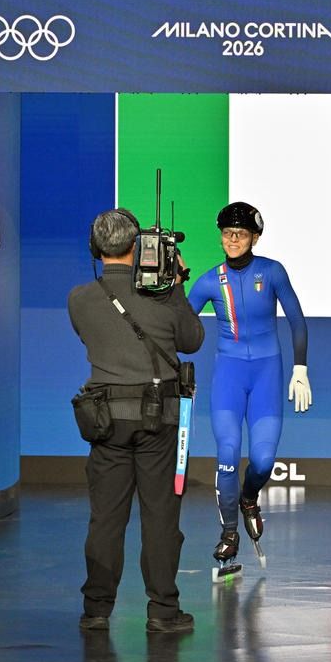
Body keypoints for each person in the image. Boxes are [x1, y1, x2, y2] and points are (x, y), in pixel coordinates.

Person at [67, 208, 205, 633]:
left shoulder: (79, 299)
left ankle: (96, 610)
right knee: (160, 516)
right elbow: (193, 340)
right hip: (158, 420)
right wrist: (176, 283)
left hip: (105, 421)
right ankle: (163, 610)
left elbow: (93, 337)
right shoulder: (162, 296)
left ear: (95, 248)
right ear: (136, 246)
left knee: (106, 518)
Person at [187, 201, 311, 569]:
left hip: (266, 375)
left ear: (254, 237)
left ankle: (248, 498)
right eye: (227, 234)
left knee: (263, 460)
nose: (233, 240)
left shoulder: (272, 272)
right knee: (227, 456)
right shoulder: (209, 280)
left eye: (240, 234)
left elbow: (297, 321)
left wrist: (300, 369)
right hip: (229, 376)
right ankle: (229, 534)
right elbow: (178, 326)